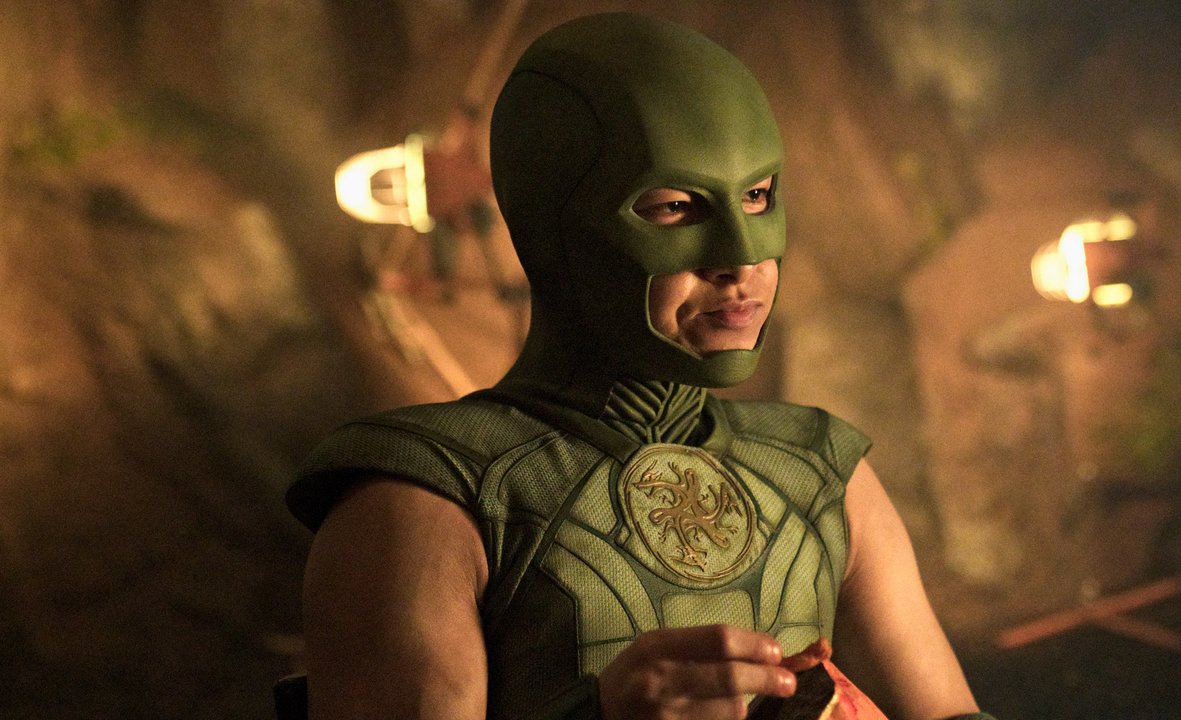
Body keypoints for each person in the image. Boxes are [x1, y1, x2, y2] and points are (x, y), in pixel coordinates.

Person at [288, 12, 994, 720]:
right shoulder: (427, 499)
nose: (742, 258)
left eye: (757, 196)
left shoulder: (823, 473)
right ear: (556, 226)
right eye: (676, 207)